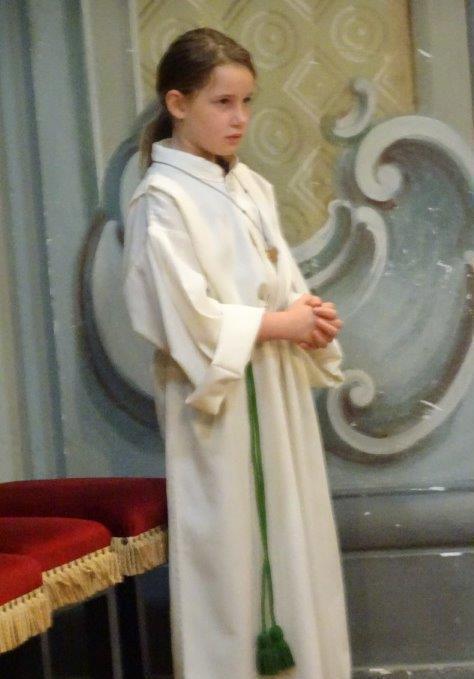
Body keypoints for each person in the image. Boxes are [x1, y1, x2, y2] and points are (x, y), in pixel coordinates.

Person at [123, 26, 352, 679]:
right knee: (233, 559)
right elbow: (184, 316)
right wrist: (280, 324)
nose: (240, 118)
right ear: (177, 103)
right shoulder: (162, 200)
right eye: (222, 102)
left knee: (294, 539)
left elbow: (278, 280)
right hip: (218, 407)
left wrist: (308, 317)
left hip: (277, 392)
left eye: (247, 101)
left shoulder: (249, 185)